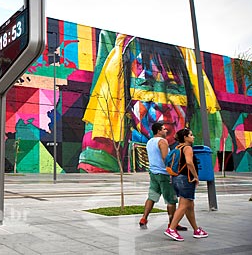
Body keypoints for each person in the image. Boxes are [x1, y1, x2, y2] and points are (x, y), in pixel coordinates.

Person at [78, 31, 224, 173]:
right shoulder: (100, 150)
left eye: (173, 87)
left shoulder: (198, 149)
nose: (161, 103)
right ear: (121, 95)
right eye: (145, 85)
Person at [139, 122, 187, 231]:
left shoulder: (150, 142)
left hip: (153, 173)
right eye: (164, 129)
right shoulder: (162, 141)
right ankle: (172, 224)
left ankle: (144, 218)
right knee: (171, 200)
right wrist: (173, 171)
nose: (166, 131)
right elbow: (166, 159)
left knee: (152, 197)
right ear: (159, 131)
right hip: (164, 174)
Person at [164, 127, 208, 241]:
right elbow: (189, 162)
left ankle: (196, 229)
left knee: (190, 206)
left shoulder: (177, 148)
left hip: (176, 178)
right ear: (185, 137)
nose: (193, 137)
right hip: (185, 179)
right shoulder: (187, 148)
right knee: (183, 205)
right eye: (191, 135)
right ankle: (172, 229)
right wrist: (196, 176)